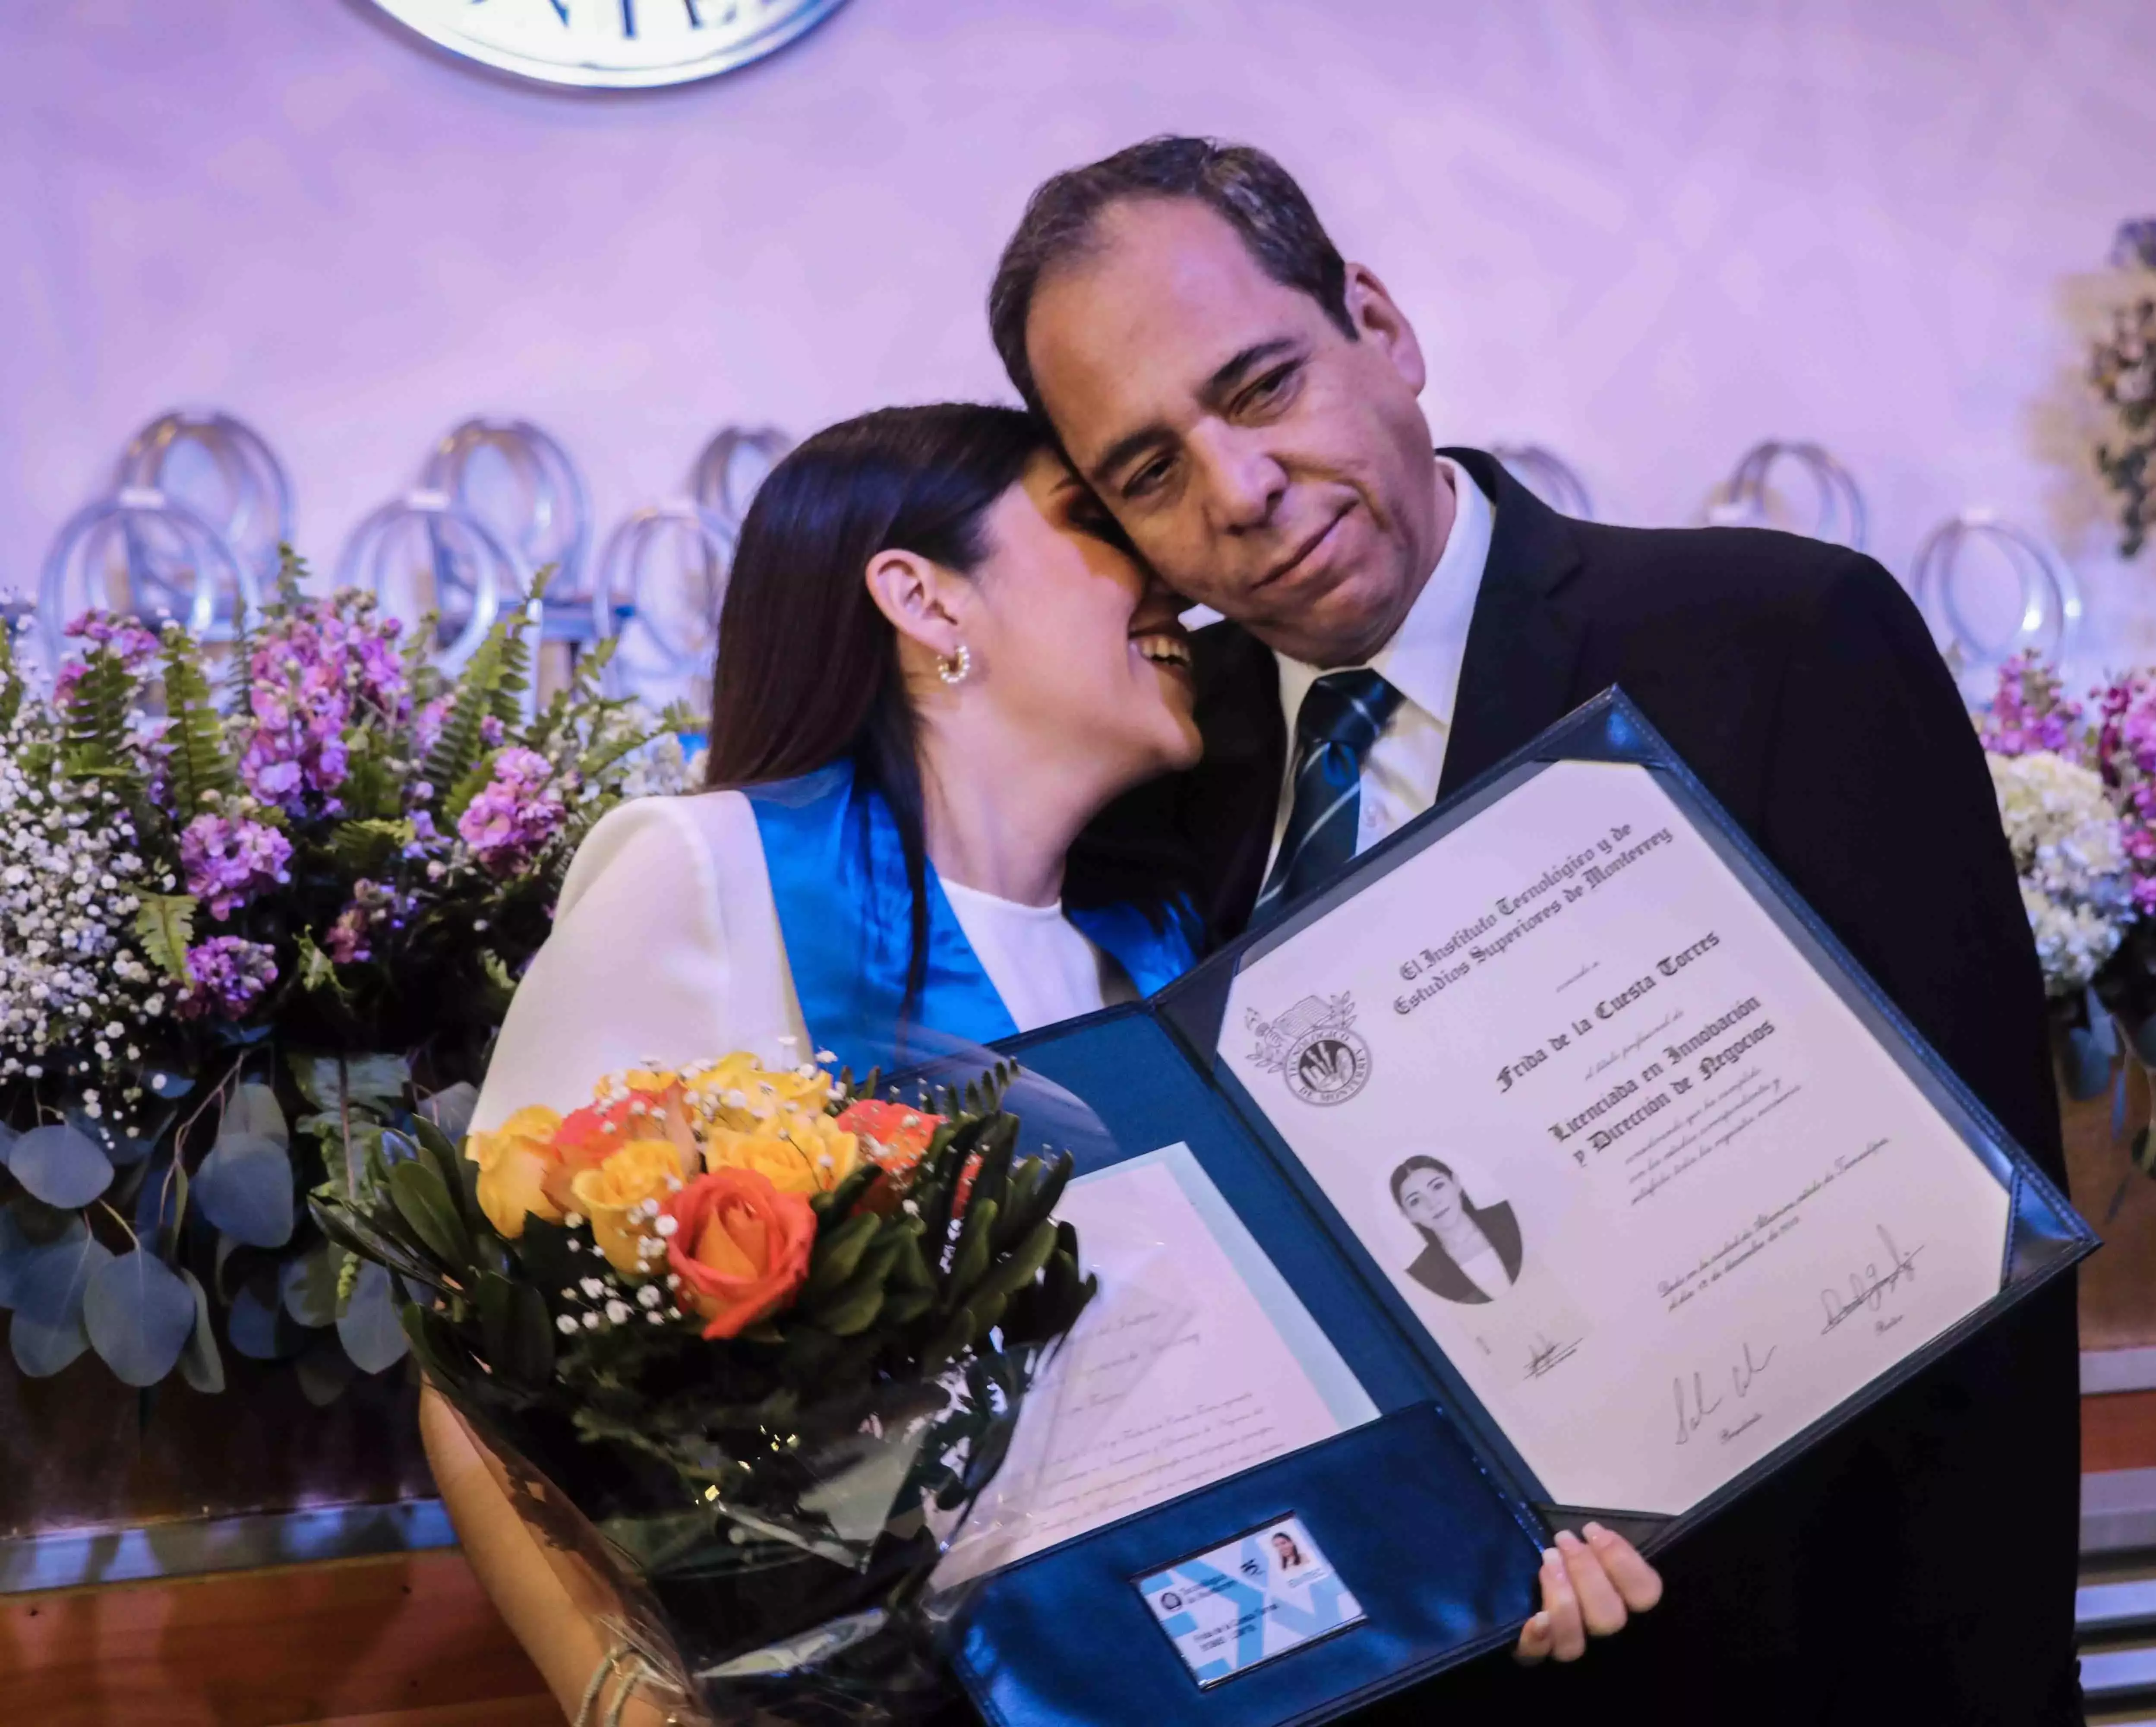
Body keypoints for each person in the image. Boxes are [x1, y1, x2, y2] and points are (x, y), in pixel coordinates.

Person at [993, 138, 2080, 1721]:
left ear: (1380, 324)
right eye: (1148, 469)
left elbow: (1981, 1269)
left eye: (1262, 384)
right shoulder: (1155, 785)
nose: (1239, 488)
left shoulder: (1777, 645)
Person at [425, 403, 1650, 1721]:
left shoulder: (1164, 950)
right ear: (922, 597)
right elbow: (474, 1370)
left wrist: (1482, 1567)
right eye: (1095, 523)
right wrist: (627, 1699)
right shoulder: (706, 868)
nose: (1167, 571)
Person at [1390, 1155, 1523, 1304]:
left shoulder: (1511, 1217)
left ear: (1456, 1183)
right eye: (1415, 1201)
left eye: (1437, 1186)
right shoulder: (1421, 1273)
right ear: (1407, 1215)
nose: (1433, 1203)